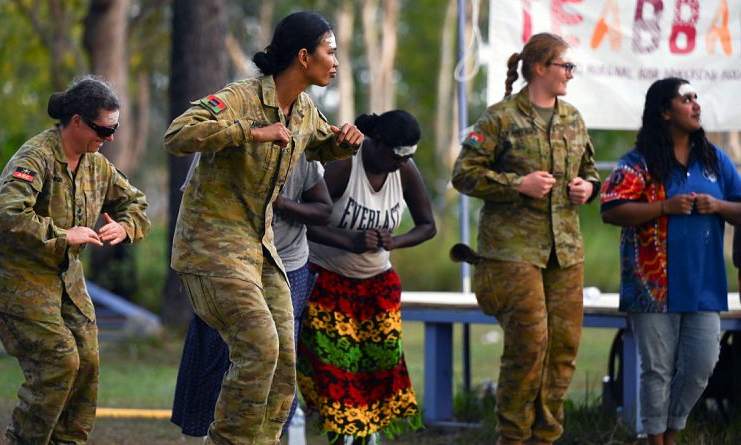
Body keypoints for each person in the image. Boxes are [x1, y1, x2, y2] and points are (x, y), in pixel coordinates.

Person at [164, 11, 363, 445]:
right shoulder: (241, 96)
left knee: (283, 365)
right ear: (304, 56)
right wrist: (251, 133)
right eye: (331, 52)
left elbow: (320, 143)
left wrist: (342, 143)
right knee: (259, 347)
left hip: (261, 250)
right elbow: (178, 134)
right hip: (211, 248)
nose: (336, 62)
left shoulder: (305, 109)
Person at [0, 75, 151, 445]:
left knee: (88, 362)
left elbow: (136, 203)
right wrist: (63, 235)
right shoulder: (36, 157)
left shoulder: (97, 165)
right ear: (77, 121)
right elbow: (3, 214)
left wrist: (127, 227)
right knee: (59, 360)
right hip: (16, 279)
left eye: (115, 128)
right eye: (103, 128)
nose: (110, 137)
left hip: (64, 278)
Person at [451, 33, 600, 445]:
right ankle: (513, 437)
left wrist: (587, 188)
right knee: (530, 344)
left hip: (564, 251)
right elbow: (463, 173)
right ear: (539, 68)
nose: (570, 74)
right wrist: (518, 184)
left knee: (563, 349)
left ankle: (545, 437)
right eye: (564, 66)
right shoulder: (500, 118)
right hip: (512, 251)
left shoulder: (572, 118)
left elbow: (589, 170)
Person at [600, 78, 741, 445]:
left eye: (697, 98)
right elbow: (611, 209)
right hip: (653, 286)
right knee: (658, 370)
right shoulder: (640, 162)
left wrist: (719, 206)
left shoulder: (714, 159)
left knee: (701, 365)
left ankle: (672, 427)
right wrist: (663, 207)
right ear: (665, 112)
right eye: (686, 99)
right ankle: (656, 439)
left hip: (704, 283)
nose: (696, 105)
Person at [297, 110, 436, 445]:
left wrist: (395, 241)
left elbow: (427, 226)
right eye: (398, 156)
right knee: (337, 370)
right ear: (376, 143)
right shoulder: (345, 166)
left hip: (378, 285)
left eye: (409, 158)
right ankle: (343, 436)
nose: (403, 164)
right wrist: (349, 242)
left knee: (380, 368)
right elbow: (307, 219)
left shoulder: (404, 172)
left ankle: (367, 435)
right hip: (329, 280)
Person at [170, 153, 331, 439]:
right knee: (222, 349)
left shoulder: (302, 135)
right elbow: (193, 202)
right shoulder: (224, 135)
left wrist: (280, 203)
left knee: (279, 352)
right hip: (227, 260)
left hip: (286, 260)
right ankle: (209, 431)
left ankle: (268, 434)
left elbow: (323, 208)